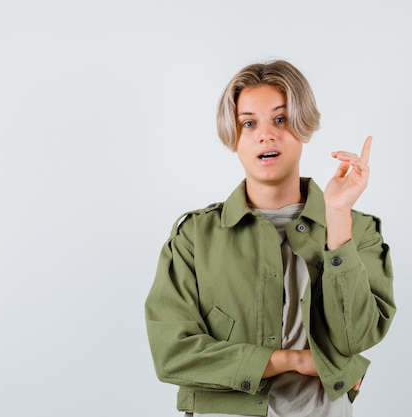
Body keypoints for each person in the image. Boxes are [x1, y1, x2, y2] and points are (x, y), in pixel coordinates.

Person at [144, 60, 396, 417]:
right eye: (249, 123)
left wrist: (337, 217)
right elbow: (172, 354)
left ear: (304, 127)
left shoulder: (358, 229)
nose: (266, 135)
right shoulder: (194, 237)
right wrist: (288, 360)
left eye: (280, 119)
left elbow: (357, 336)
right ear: (234, 137)